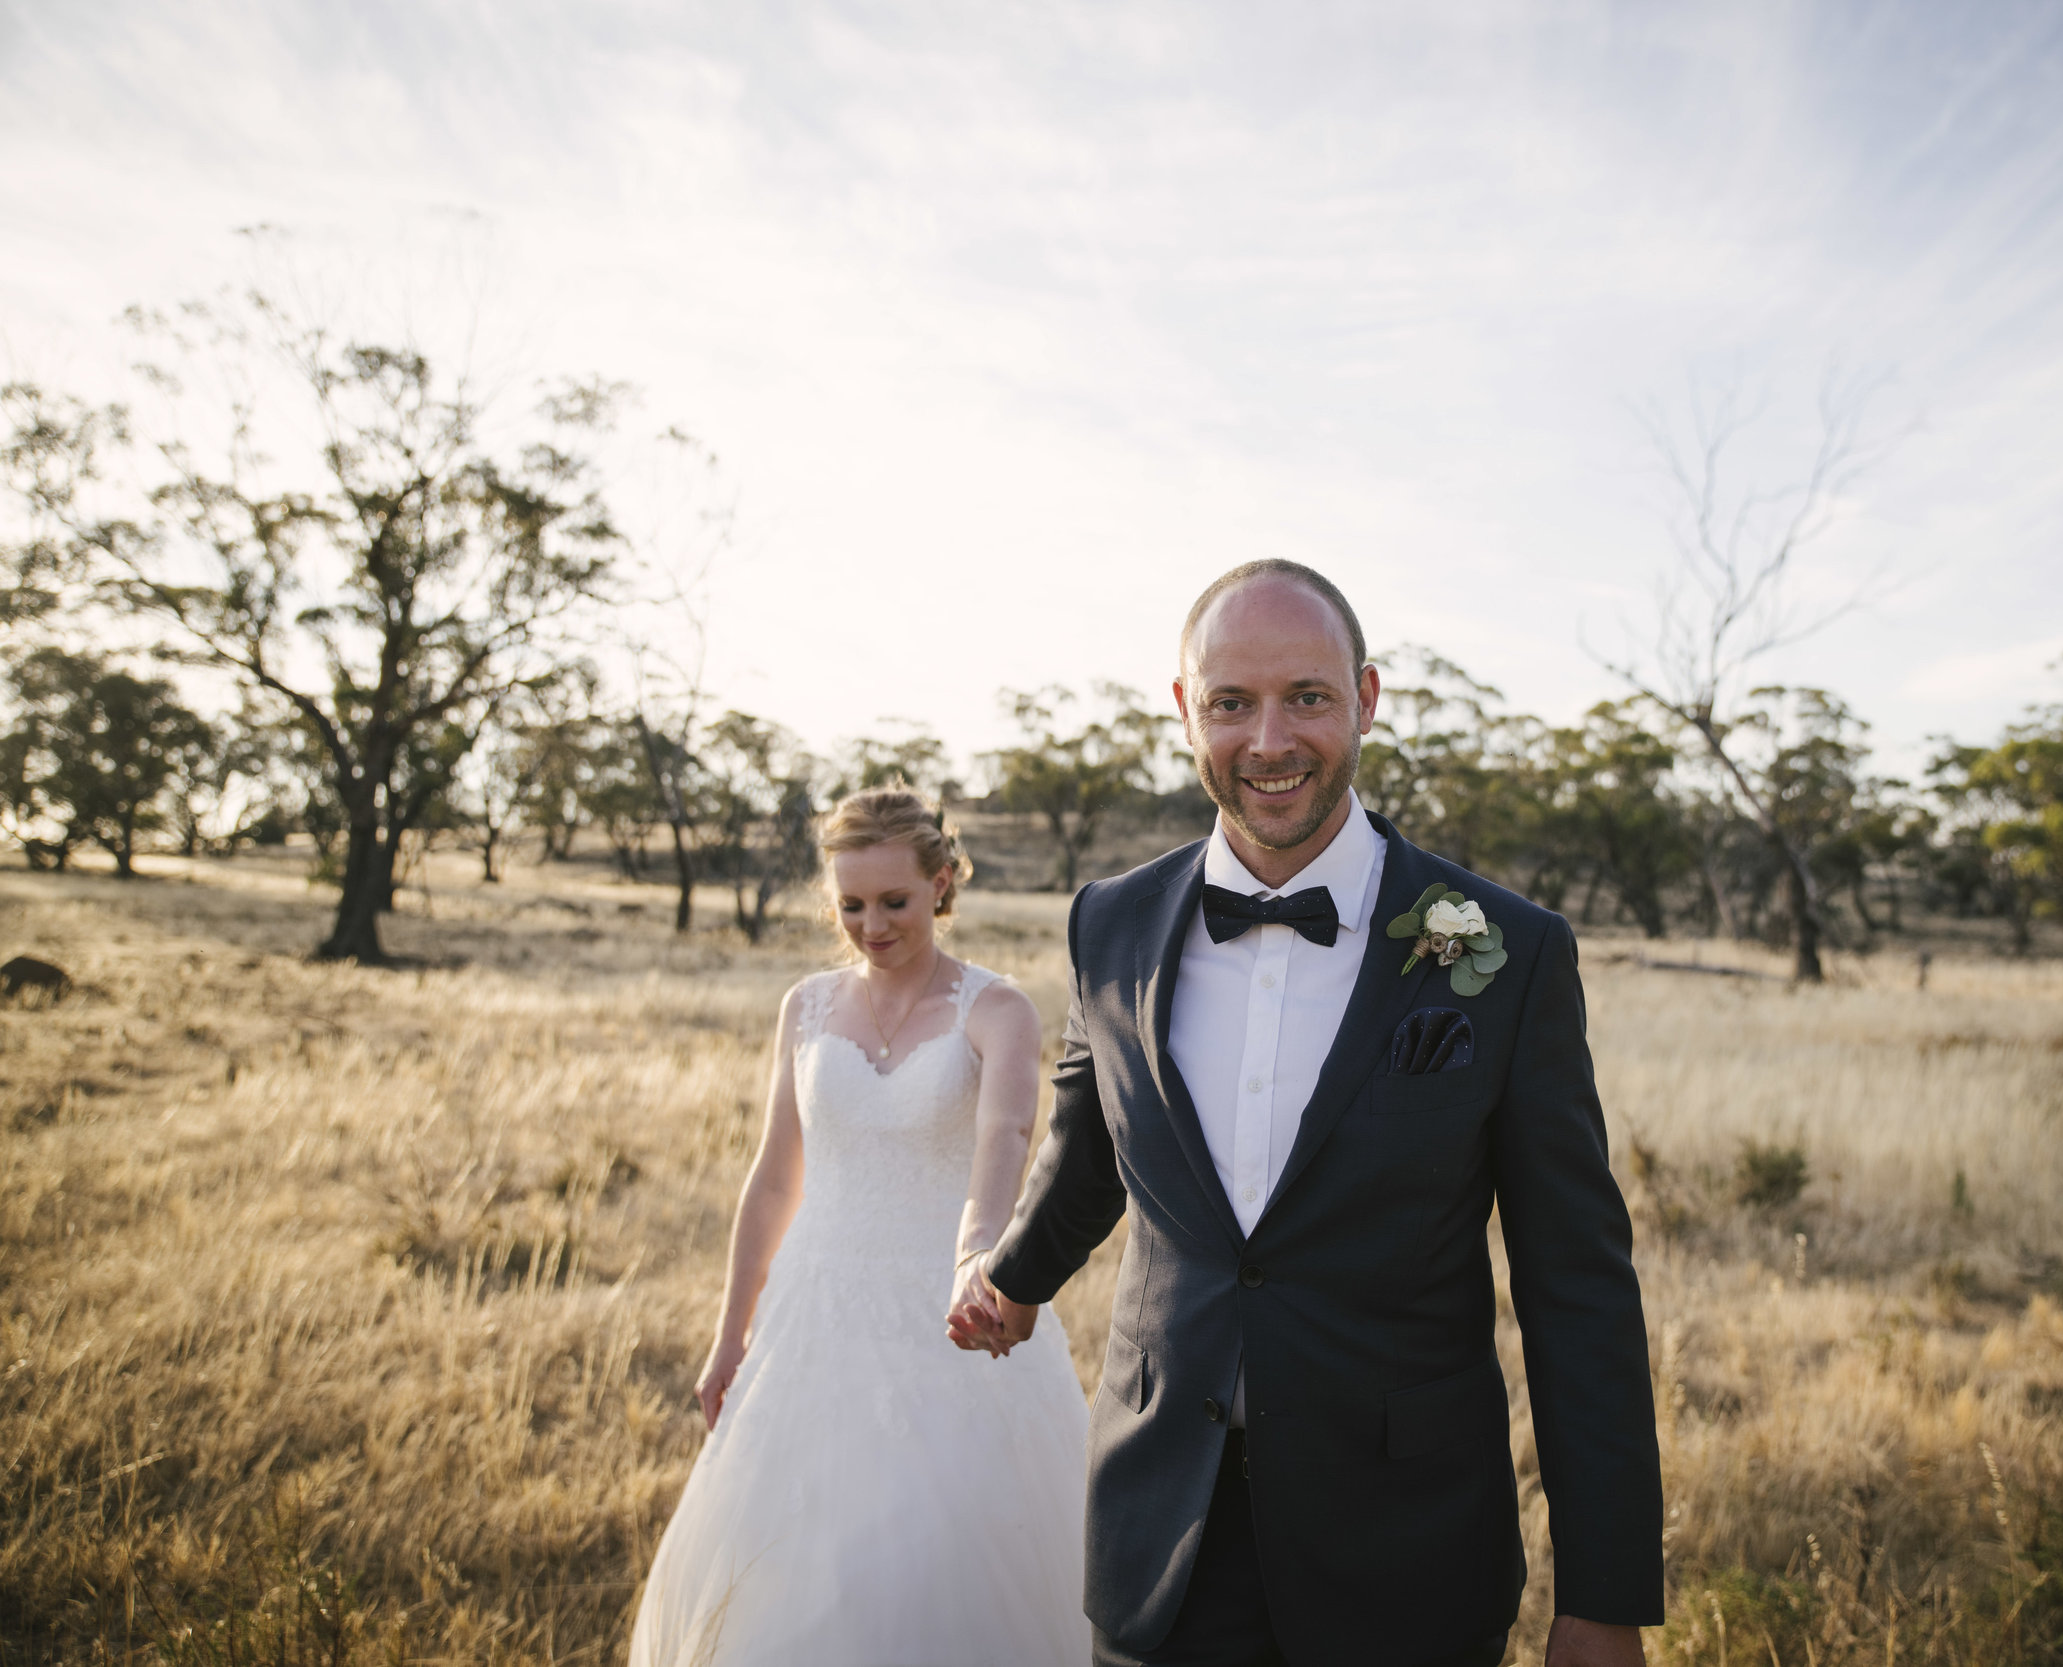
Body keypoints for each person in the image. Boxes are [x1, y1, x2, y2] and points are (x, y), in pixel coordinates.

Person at [949, 562, 1662, 1667]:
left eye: (1308, 697)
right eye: (1231, 702)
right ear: (1186, 710)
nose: (1269, 739)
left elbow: (1577, 1289)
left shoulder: (1506, 952)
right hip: (1159, 1543)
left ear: (1365, 700)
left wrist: (1605, 1591)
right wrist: (1013, 1275)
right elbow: (1090, 1149)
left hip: (1407, 1557)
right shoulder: (1110, 922)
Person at [631, 788, 1090, 1667]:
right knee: (790, 1573)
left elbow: (1006, 1139)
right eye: (850, 904)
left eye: (894, 902)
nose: (871, 925)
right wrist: (729, 1338)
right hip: (813, 1319)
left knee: (932, 1559)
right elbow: (772, 1178)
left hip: (948, 1320)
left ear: (942, 883)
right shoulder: (804, 1007)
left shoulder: (996, 1010)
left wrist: (977, 1259)